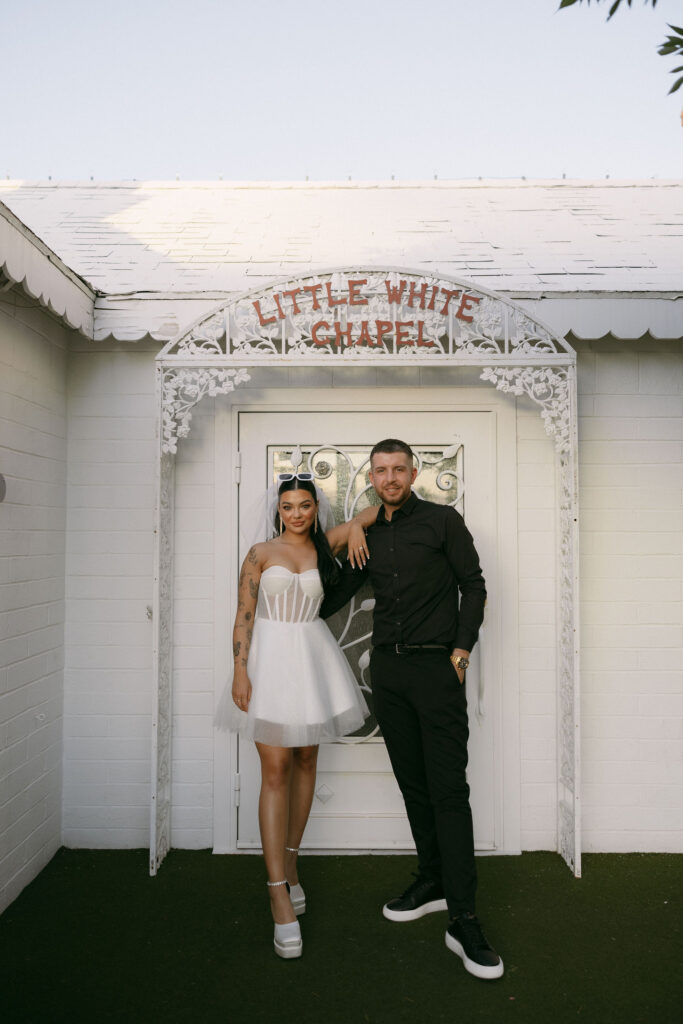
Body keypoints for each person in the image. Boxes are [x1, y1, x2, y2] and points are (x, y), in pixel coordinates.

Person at [320, 439, 504, 980]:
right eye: (381, 471)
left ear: (414, 471)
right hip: (390, 675)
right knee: (413, 784)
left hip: (438, 670)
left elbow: (474, 585)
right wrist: (348, 527)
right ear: (372, 478)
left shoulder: (444, 522)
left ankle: (464, 917)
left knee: (449, 790)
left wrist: (462, 649)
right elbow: (330, 595)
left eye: (399, 469)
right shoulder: (368, 534)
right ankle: (432, 878)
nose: (391, 477)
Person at [216, 473, 375, 960]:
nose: (298, 513)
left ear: (315, 509)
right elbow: (243, 614)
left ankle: (292, 863)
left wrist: (354, 530)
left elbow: (370, 514)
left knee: (307, 759)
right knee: (277, 768)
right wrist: (240, 670)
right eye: (289, 506)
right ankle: (276, 889)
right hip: (268, 660)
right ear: (278, 510)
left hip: (311, 658)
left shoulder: (323, 549)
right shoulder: (260, 554)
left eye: (306, 505)